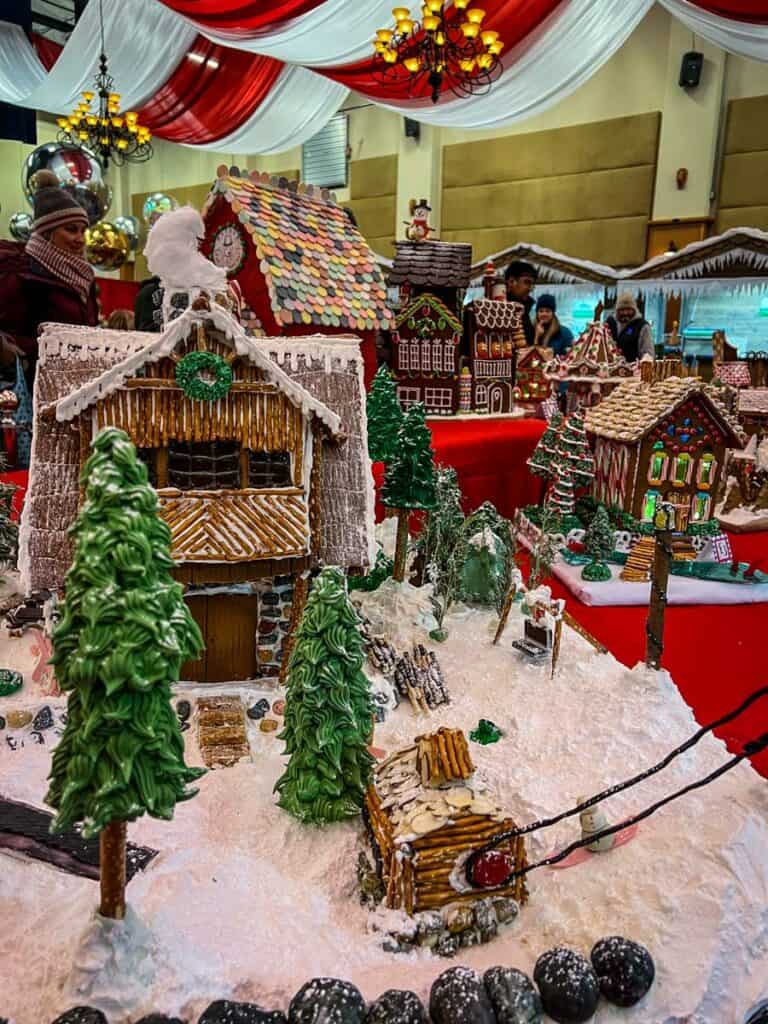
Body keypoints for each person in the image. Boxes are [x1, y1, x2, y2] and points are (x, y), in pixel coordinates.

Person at [0, 170, 98, 384]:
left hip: (76, 383)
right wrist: (41, 350)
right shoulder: (19, 273)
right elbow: (8, 335)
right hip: (31, 385)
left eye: (83, 231)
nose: (80, 239)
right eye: (71, 230)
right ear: (47, 232)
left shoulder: (84, 276)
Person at [606, 291, 654, 361]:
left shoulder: (642, 326)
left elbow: (648, 353)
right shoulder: (610, 323)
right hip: (609, 369)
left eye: (628, 309)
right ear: (617, 311)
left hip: (633, 369)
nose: (625, 313)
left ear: (634, 310)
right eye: (622, 310)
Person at [504, 260, 537, 344]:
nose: (530, 288)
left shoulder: (525, 310)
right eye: (527, 282)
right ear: (511, 282)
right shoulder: (498, 309)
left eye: (533, 284)